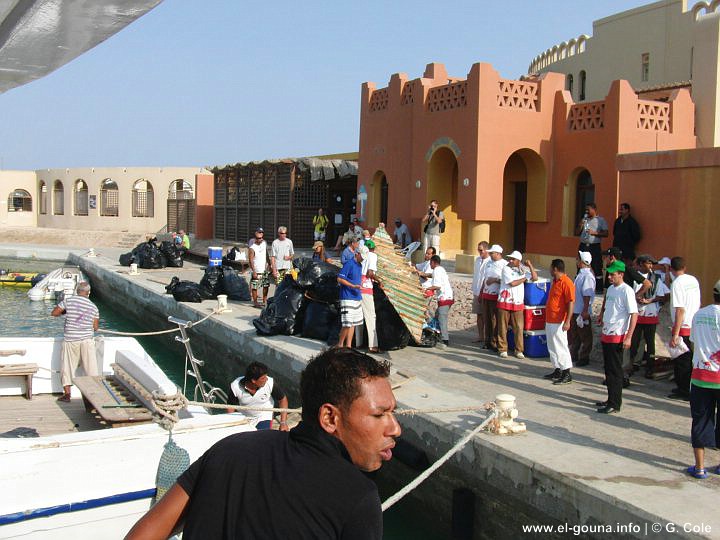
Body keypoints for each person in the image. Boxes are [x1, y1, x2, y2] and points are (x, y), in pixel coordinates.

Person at [125, 348, 401, 540]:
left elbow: (146, 533)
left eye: (393, 413)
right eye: (379, 415)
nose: (395, 428)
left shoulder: (229, 449)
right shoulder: (357, 497)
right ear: (329, 417)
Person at [685, 279, 720, 479]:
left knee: (700, 420)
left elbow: (693, 341)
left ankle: (699, 467)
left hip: (700, 376)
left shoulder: (699, 314)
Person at [596, 261, 638, 414]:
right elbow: (607, 305)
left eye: (613, 274)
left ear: (621, 274)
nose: (610, 277)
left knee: (615, 370)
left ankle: (615, 403)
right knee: (608, 369)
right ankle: (610, 398)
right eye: (609, 274)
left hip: (618, 335)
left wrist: (629, 337)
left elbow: (634, 314)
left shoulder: (626, 291)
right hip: (607, 332)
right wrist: (601, 315)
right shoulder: (612, 290)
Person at [50, 282, 100, 402]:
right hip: (87, 340)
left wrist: (66, 312)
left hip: (71, 339)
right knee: (91, 369)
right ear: (88, 293)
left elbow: (54, 313)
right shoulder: (94, 307)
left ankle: (67, 395)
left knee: (67, 367)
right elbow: (96, 327)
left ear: (77, 290)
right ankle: (93, 395)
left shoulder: (69, 301)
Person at [629, 254, 669, 378]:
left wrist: (650, 300)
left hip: (650, 314)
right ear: (641, 264)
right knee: (634, 342)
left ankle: (650, 367)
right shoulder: (634, 277)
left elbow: (664, 296)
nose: (651, 266)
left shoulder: (656, 278)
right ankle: (630, 365)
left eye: (652, 264)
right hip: (637, 313)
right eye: (648, 263)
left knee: (650, 343)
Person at [668, 256, 702, 401]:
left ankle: (684, 390)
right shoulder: (693, 280)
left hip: (683, 325)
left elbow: (680, 310)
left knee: (682, 359)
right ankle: (685, 386)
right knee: (688, 359)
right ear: (684, 267)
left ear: (671, 268)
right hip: (694, 322)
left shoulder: (677, 283)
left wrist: (675, 334)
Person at [497, 251, 537, 359]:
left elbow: (535, 277)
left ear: (518, 261)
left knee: (519, 328)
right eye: (510, 258)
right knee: (502, 327)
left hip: (518, 302)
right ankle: (502, 349)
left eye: (513, 259)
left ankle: (519, 350)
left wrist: (530, 266)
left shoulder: (523, 269)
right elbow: (512, 283)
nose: (510, 260)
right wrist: (524, 278)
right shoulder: (506, 269)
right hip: (505, 301)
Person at [227, 361, 289, 430]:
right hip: (244, 417)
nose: (266, 379)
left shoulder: (270, 383)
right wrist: (231, 424)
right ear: (253, 380)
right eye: (263, 378)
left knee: (262, 437)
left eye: (266, 376)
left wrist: (283, 422)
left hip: (263, 416)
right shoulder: (235, 387)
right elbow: (230, 407)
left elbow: (282, 400)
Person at [543, 259, 576, 384]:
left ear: (555, 268)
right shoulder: (555, 281)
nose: (550, 270)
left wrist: (567, 321)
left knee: (560, 346)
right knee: (552, 345)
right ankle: (557, 369)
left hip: (559, 320)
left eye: (551, 268)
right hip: (550, 319)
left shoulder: (566, 282)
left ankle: (566, 372)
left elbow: (570, 302)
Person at [568, 251, 596, 367]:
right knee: (575, 335)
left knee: (585, 336)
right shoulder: (581, 274)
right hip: (576, 310)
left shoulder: (587, 276)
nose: (576, 261)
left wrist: (585, 310)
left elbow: (587, 294)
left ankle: (584, 357)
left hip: (581, 311)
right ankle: (573, 355)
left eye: (578, 259)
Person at [480, 245, 507, 352]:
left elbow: (506, 281)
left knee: (495, 320)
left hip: (496, 296)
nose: (490, 255)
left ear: (498, 253)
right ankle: (487, 341)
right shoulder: (488, 263)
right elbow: (485, 278)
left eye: (492, 253)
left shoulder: (504, 264)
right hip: (486, 294)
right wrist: (482, 291)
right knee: (487, 319)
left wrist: (495, 280)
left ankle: (495, 342)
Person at [576, 203, 607, 293]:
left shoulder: (600, 220)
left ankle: (599, 288)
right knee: (580, 265)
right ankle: (580, 286)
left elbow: (606, 233)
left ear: (594, 209)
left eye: (588, 210)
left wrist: (595, 233)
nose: (586, 212)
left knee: (596, 266)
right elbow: (577, 232)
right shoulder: (584, 219)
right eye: (585, 210)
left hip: (594, 246)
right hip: (583, 245)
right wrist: (581, 224)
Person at [337, 247, 365, 348]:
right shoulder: (349, 264)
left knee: (353, 322)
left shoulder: (360, 265)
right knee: (347, 323)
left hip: (357, 297)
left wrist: (360, 284)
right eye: (362, 256)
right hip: (347, 297)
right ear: (357, 254)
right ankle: (340, 344)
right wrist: (353, 286)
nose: (363, 259)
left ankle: (348, 346)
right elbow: (340, 279)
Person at [425, 255, 453, 348]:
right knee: (437, 316)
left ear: (433, 262)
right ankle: (438, 334)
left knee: (442, 318)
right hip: (447, 297)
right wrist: (421, 273)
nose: (430, 265)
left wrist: (427, 289)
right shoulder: (440, 269)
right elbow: (431, 275)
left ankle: (445, 340)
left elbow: (437, 286)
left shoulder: (437, 270)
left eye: (430, 263)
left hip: (445, 298)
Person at [358, 241, 380, 353]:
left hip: (357, 286)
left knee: (358, 316)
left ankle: (358, 343)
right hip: (366, 287)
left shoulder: (360, 254)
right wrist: (379, 280)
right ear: (374, 248)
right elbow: (370, 273)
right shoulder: (373, 256)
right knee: (371, 316)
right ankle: (373, 345)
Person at [471, 241, 490, 343]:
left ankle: (488, 337)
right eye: (478, 250)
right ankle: (480, 336)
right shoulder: (477, 260)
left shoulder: (490, 262)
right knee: (479, 314)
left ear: (486, 250)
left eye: (481, 250)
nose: (479, 252)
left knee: (487, 316)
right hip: (476, 291)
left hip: (486, 292)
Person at [249, 227, 270, 308]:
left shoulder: (264, 243)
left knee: (266, 286)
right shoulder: (252, 248)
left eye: (261, 238)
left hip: (264, 269)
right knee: (255, 287)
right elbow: (250, 260)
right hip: (257, 270)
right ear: (255, 238)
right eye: (258, 238)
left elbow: (266, 254)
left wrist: (270, 264)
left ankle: (264, 300)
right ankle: (255, 302)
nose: (260, 239)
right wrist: (253, 271)